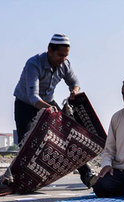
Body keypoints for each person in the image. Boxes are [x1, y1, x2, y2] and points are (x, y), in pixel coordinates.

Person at [12, 33, 95, 188]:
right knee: (26, 144)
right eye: (59, 55)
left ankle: (87, 173)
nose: (62, 59)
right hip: (26, 105)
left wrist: (74, 92)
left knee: (69, 135)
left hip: (49, 102)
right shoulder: (33, 64)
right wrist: (51, 110)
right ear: (49, 50)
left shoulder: (65, 64)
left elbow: (74, 82)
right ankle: (21, 181)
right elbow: (33, 97)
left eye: (65, 56)